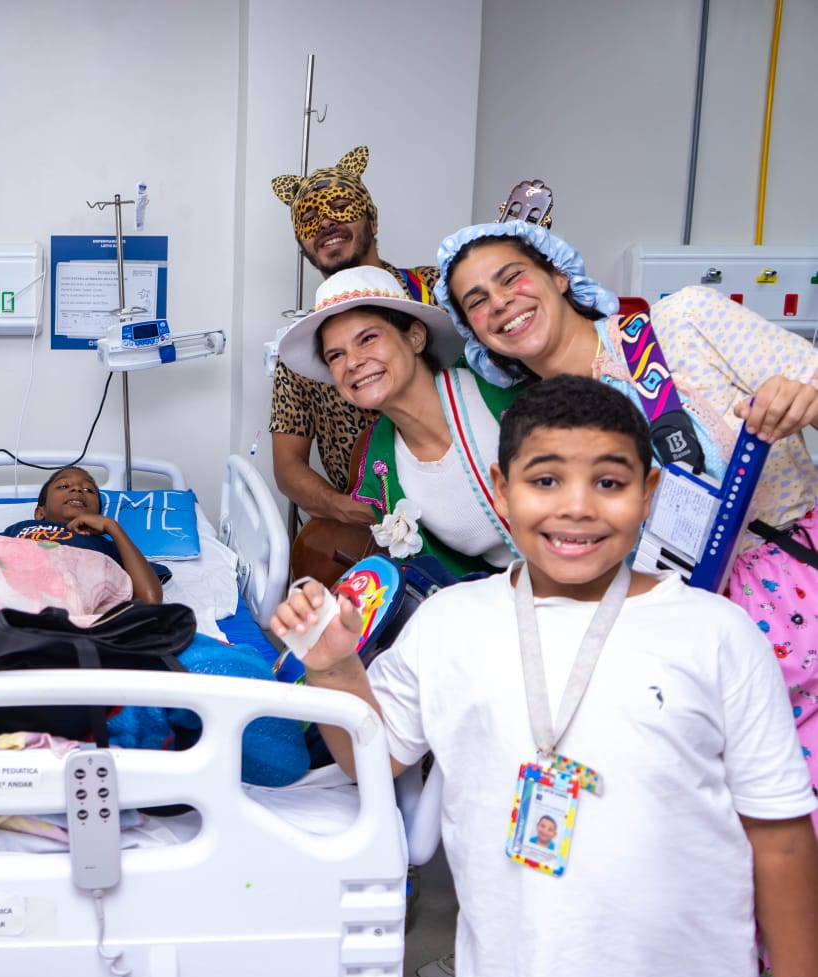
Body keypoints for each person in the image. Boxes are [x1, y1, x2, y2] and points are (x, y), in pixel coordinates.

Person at [271, 375, 818, 977]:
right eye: (546, 480)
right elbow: (374, 757)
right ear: (502, 491)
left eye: (609, 483)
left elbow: (780, 834)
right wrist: (335, 668)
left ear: (649, 493)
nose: (577, 507)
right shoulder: (449, 623)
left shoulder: (717, 633)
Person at [436, 219, 818, 831]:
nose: (500, 302)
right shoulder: (534, 426)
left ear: (559, 275)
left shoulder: (684, 322)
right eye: (476, 300)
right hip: (685, 644)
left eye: (512, 277)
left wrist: (804, 398)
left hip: (801, 602)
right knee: (726, 848)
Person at [277, 265, 518, 577]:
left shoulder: (499, 382)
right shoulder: (379, 468)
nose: (352, 362)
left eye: (368, 338)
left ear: (415, 337)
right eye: (335, 355)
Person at [268, 146, 440, 522]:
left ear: (372, 220)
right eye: (309, 218)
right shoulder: (301, 345)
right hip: (364, 528)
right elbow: (287, 465)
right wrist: (346, 509)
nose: (325, 222)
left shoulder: (438, 290)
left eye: (341, 206)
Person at [0, 465, 164, 603]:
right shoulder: (20, 528)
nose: (77, 489)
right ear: (40, 513)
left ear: (97, 514)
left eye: (88, 490)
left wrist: (112, 526)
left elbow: (150, 598)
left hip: (71, 602)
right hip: (12, 592)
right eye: (63, 486)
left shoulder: (106, 545)